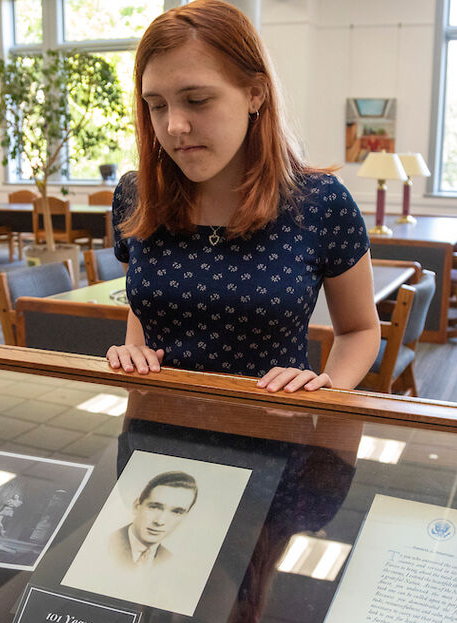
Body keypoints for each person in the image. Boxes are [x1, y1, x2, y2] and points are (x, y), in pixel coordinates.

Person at [107, 0, 379, 393]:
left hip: (274, 432)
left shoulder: (320, 203)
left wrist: (327, 389)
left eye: (197, 100)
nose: (174, 125)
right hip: (155, 427)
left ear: (255, 94)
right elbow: (146, 306)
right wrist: (136, 351)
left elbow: (360, 329)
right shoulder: (136, 195)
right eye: (156, 105)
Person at [109, 471, 198, 569]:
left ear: (184, 517)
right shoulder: (104, 545)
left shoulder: (173, 563)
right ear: (136, 507)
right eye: (155, 507)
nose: (160, 521)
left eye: (176, 512)